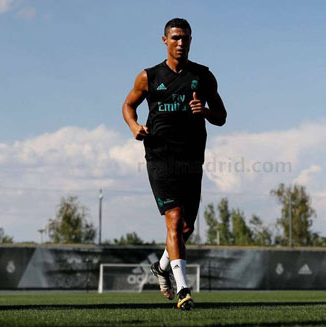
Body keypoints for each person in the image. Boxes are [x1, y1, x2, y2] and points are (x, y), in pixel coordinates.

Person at [122, 18, 227, 310]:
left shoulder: (203, 76)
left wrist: (204, 111)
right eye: (176, 38)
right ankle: (183, 290)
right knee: (174, 218)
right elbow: (128, 105)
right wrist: (133, 126)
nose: (181, 43)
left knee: (186, 229)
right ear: (165, 40)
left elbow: (222, 116)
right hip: (159, 157)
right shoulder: (148, 76)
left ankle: (161, 266)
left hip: (192, 158)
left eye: (186, 38)